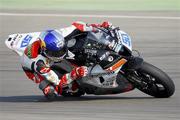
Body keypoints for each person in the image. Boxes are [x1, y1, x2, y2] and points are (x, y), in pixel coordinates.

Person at [20, 21, 114, 99]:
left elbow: (78, 26)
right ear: (45, 51)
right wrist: (76, 73)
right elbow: (59, 82)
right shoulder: (39, 64)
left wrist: (99, 27)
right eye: (56, 53)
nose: (61, 54)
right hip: (33, 69)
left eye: (61, 50)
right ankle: (50, 88)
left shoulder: (60, 34)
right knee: (52, 90)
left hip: (46, 52)